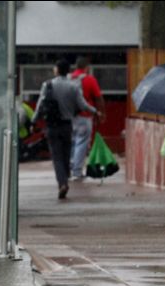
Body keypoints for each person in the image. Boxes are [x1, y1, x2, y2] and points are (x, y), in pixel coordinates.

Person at [31, 59, 101, 199]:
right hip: (67, 125)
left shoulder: (48, 85)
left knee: (57, 156)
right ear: (68, 70)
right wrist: (95, 111)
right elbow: (82, 105)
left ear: (56, 70)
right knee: (66, 154)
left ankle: (62, 183)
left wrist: (34, 121)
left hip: (51, 125)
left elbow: (40, 105)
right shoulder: (73, 86)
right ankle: (67, 174)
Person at [69, 56, 106, 180]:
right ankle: (77, 172)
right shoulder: (89, 79)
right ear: (87, 67)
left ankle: (70, 168)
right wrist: (100, 113)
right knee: (82, 143)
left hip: (69, 117)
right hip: (85, 116)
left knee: (72, 142)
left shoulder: (68, 79)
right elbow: (98, 98)